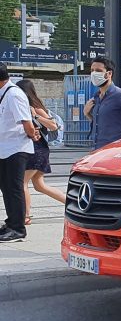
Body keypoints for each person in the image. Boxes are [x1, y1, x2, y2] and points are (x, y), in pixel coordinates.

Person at [0, 65, 41, 242]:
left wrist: (33, 134)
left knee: (14, 188)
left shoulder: (14, 95)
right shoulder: (4, 93)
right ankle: (11, 223)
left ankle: (18, 229)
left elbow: (27, 123)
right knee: (6, 188)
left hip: (16, 149)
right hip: (5, 148)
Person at [16, 79, 66, 224]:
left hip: (36, 150)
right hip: (38, 149)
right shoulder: (26, 106)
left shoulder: (35, 107)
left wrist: (36, 115)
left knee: (22, 183)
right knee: (39, 185)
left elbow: (53, 125)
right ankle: (72, 204)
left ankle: (25, 216)